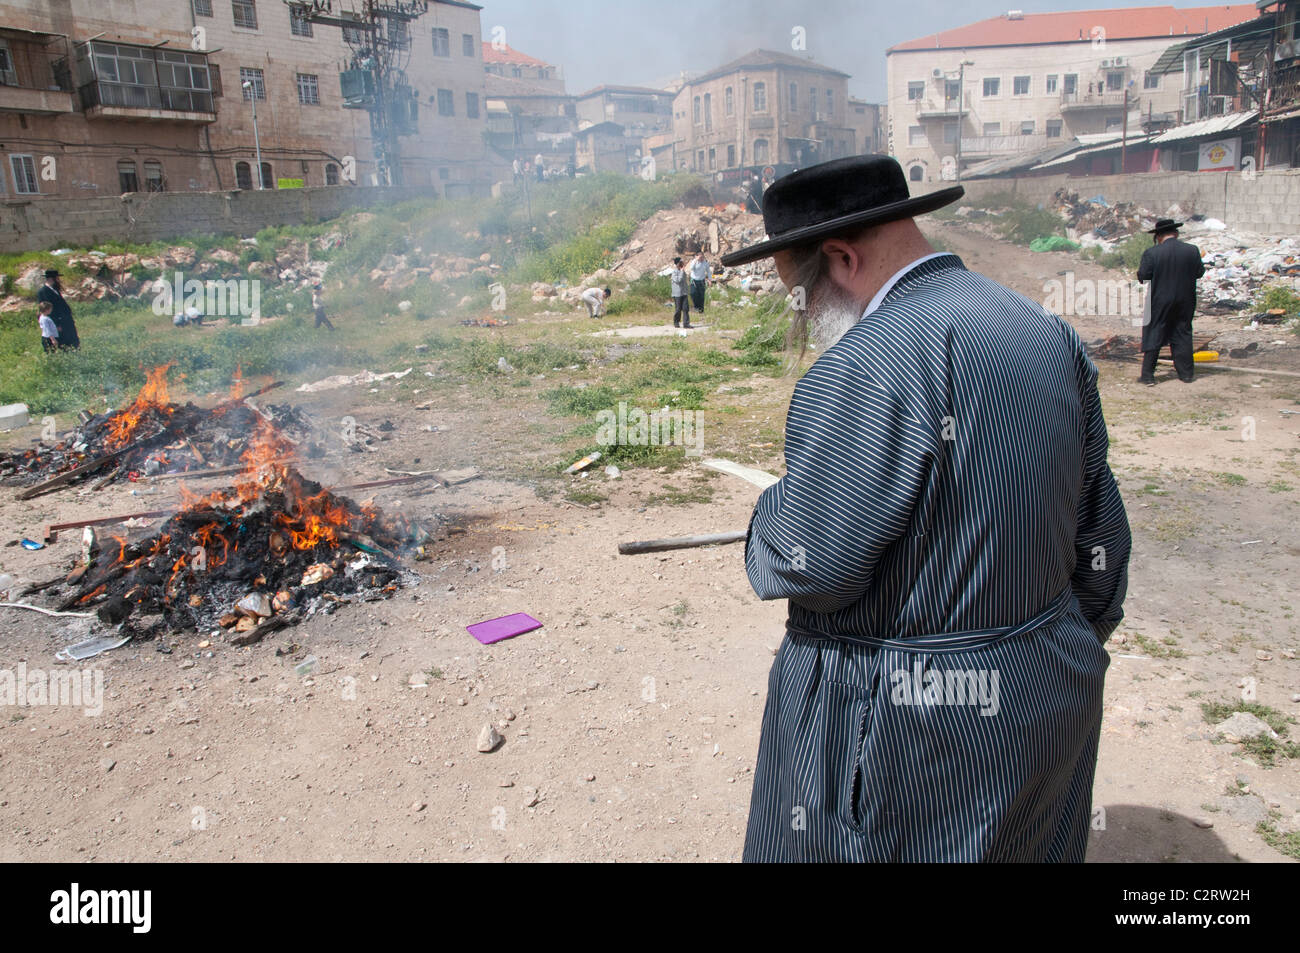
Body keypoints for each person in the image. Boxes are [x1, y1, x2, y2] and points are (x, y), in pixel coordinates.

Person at [719, 154, 1130, 862]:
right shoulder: (1040, 328)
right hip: (1048, 691)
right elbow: (1102, 540)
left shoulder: (866, 363)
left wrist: (767, 521)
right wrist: (1048, 648)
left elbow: (813, 566)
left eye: (799, 297)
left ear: (841, 258)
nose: (805, 318)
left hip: (912, 734)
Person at [1136, 218, 1204, 385]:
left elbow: (1144, 276)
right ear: (1176, 233)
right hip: (1186, 299)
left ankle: (1148, 376)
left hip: (1159, 300)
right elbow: (1199, 272)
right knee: (1183, 332)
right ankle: (1186, 374)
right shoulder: (1192, 250)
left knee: (1154, 332)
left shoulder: (1152, 253)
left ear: (1158, 236)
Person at [36, 269, 79, 350]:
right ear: (52, 279)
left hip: (65, 320)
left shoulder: (55, 289)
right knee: (63, 343)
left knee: (73, 341)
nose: (59, 280)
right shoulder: (43, 291)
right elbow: (46, 310)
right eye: (57, 278)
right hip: (58, 322)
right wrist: (56, 324)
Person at [670, 257, 692, 328]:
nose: (682, 264)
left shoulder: (683, 271)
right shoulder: (674, 272)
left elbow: (685, 281)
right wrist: (682, 272)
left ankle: (686, 323)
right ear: (677, 264)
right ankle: (676, 322)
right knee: (678, 309)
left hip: (684, 293)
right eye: (680, 262)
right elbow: (678, 280)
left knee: (686, 309)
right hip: (677, 294)